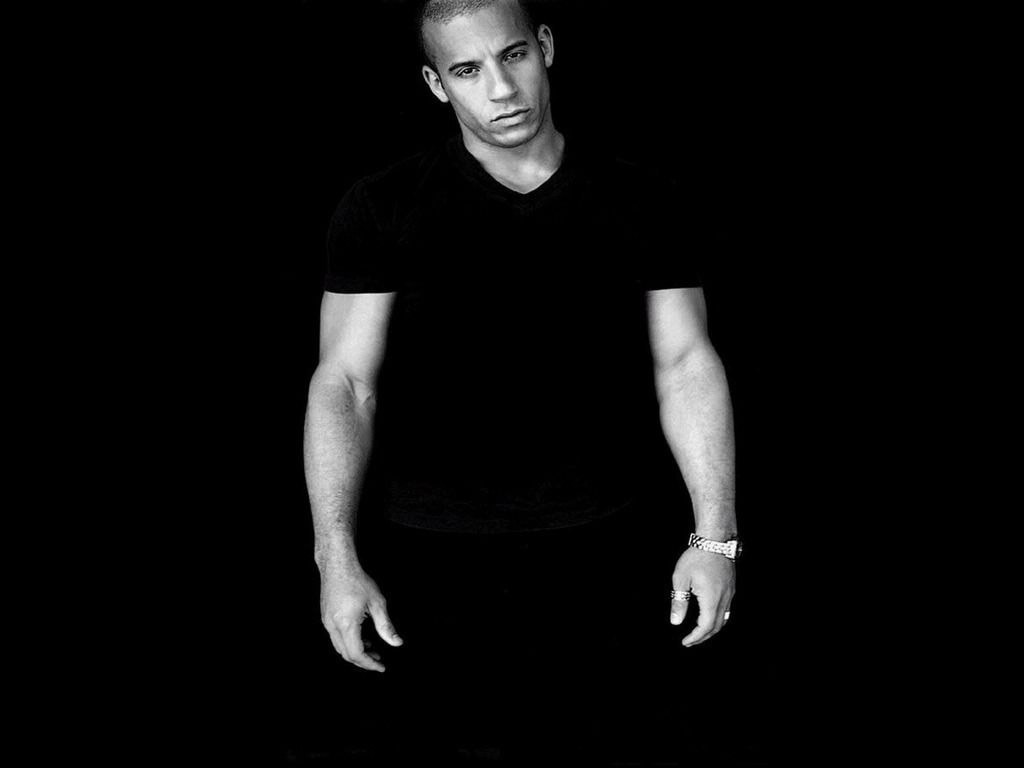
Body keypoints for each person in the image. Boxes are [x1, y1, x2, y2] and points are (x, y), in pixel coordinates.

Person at [302, 0, 739, 762]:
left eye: (512, 56)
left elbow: (686, 366)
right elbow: (343, 385)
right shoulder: (381, 206)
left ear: (545, 46)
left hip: (614, 552)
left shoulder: (642, 197)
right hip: (430, 563)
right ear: (436, 85)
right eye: (467, 70)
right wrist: (334, 556)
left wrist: (717, 539)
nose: (501, 90)